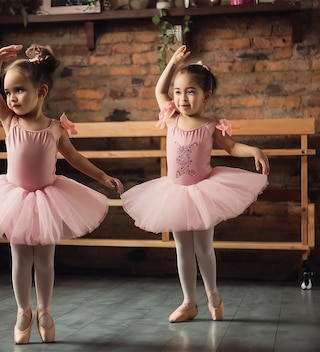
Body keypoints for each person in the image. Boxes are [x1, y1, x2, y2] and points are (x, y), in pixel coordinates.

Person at [0, 44, 124, 344]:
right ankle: (24, 311)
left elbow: (75, 159)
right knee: (20, 259)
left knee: (45, 260)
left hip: (48, 199)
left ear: (41, 92)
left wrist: (101, 175)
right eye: (9, 92)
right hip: (14, 199)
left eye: (19, 90)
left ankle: (45, 310)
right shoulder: (10, 122)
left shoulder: (56, 129)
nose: (12, 98)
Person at [121, 45, 269, 323]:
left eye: (190, 92)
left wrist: (254, 151)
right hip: (175, 193)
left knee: (203, 247)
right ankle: (189, 302)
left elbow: (233, 147)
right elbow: (158, 90)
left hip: (202, 192)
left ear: (206, 96)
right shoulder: (172, 118)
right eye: (178, 92)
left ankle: (213, 293)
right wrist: (172, 62)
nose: (182, 98)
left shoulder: (211, 126)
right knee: (182, 248)